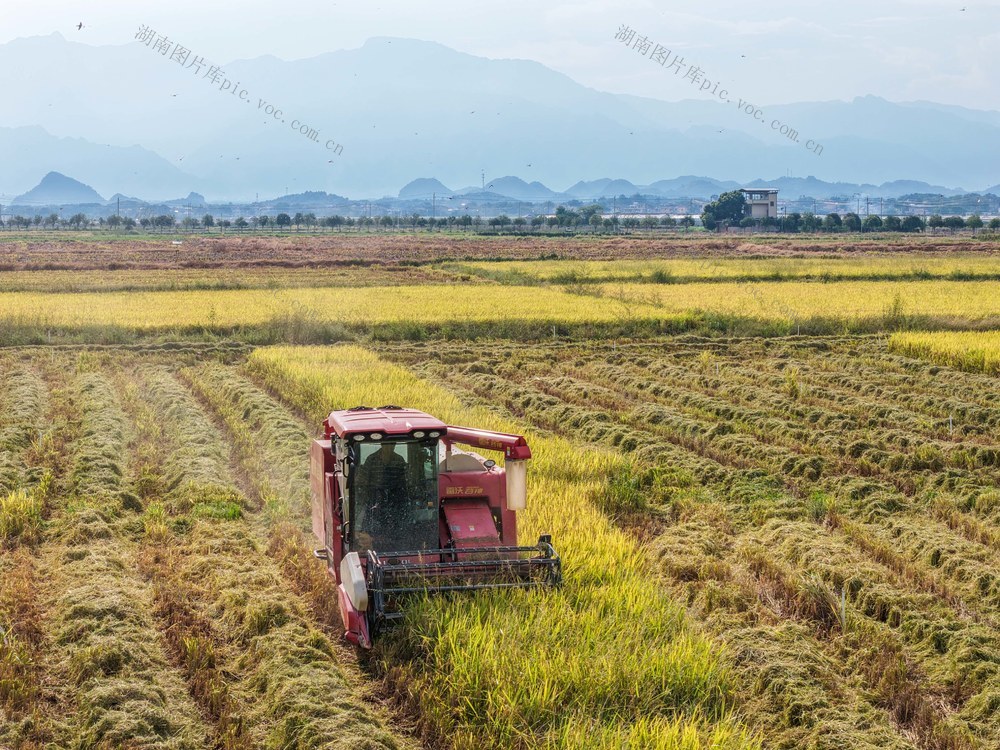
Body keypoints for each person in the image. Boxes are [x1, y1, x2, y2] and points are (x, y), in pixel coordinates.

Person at [355, 443, 408, 549]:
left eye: (392, 445)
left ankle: (394, 544)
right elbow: (363, 481)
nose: (390, 447)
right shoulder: (372, 459)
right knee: (371, 525)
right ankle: (370, 545)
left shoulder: (399, 460)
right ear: (382, 445)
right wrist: (365, 498)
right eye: (387, 445)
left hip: (394, 498)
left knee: (395, 525)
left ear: (394, 446)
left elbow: (404, 482)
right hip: (375, 497)